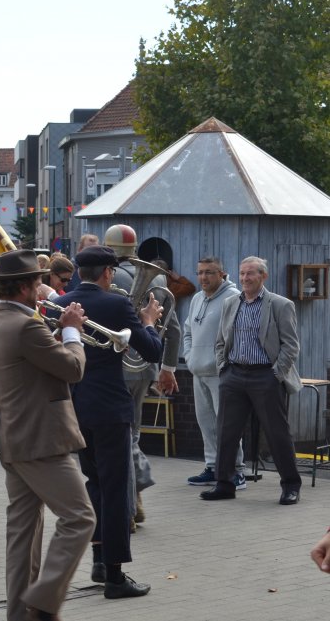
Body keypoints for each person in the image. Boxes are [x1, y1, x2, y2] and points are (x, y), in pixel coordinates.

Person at [0, 250, 95, 621]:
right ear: (27, 287)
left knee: (23, 536)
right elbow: (72, 368)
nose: (43, 287)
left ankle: (19, 614)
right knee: (80, 518)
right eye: (38, 281)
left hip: (12, 438)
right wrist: (73, 330)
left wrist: (56, 327)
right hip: (40, 439)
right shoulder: (26, 326)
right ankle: (43, 604)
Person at [53, 244, 162, 599]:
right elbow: (151, 351)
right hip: (112, 410)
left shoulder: (62, 302)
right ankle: (115, 576)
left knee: (95, 484)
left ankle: (100, 560)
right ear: (107, 273)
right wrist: (148, 322)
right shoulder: (117, 305)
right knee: (116, 490)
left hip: (77, 407)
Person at [201, 256, 303, 505]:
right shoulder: (230, 303)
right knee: (226, 432)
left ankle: (291, 485)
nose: (245, 278)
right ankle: (224, 484)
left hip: (265, 376)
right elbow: (221, 341)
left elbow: (291, 346)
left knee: (277, 433)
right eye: (242, 273)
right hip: (233, 374)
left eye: (251, 274)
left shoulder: (280, 304)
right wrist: (223, 368)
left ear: (263, 276)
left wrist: (275, 374)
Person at [103, 224, 180, 528]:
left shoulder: (109, 277)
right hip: (145, 367)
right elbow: (172, 329)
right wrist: (168, 368)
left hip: (119, 365)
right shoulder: (159, 278)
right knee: (132, 434)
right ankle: (134, 500)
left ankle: (133, 498)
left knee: (122, 438)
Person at [182, 256, 244, 487]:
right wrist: (189, 357)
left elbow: (239, 334)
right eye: (200, 272)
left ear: (222, 274)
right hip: (198, 371)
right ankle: (212, 466)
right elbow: (188, 330)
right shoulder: (197, 298)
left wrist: (224, 364)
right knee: (206, 424)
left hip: (222, 374)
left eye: (209, 272)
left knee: (227, 424)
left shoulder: (234, 298)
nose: (203, 277)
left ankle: (236, 470)